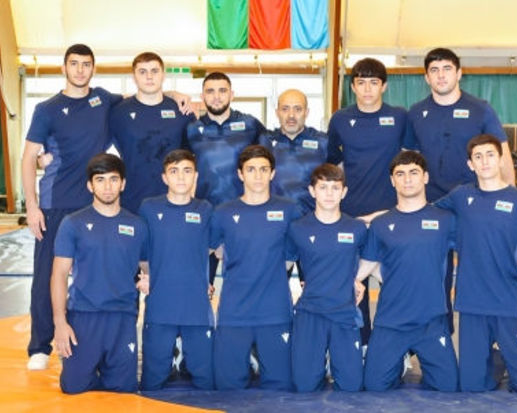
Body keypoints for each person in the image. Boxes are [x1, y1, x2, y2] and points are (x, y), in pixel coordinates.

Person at [21, 44, 189, 370]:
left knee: (100, 275)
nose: (80, 70)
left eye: (86, 64)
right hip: (57, 203)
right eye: (74, 64)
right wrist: (32, 204)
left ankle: (106, 339)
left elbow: (145, 92)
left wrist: (174, 93)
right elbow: (29, 157)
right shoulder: (47, 108)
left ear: (93, 69)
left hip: (98, 202)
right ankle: (39, 345)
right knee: (48, 275)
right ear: (64, 68)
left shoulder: (103, 100)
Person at [405, 48, 516, 335]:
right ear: (426, 77)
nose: (441, 75)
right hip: (434, 209)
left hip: (476, 209)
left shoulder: (481, 109)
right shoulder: (416, 113)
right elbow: (408, 162)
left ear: (459, 73)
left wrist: (510, 209)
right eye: (434, 70)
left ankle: (495, 339)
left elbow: (502, 157)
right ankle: (437, 339)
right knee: (432, 275)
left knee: (485, 272)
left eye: (447, 69)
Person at [436, 134, 517, 396]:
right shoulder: (461, 196)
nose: (484, 161)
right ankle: (500, 358)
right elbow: (418, 210)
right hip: (472, 303)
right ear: (470, 164)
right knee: (472, 386)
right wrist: (373, 219)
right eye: (478, 157)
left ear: (500, 160)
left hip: (509, 300)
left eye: (490, 155)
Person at [359, 150, 458, 392]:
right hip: (391, 322)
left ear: (425, 177)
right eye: (400, 174)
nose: (407, 179)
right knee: (374, 386)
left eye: (414, 172)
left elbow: (476, 250)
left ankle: (498, 358)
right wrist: (352, 280)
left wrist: (515, 261)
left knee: (448, 387)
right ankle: (398, 360)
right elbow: (368, 264)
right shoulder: (381, 224)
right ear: (392, 180)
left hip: (431, 321)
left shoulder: (445, 220)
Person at [327, 57, 410, 347]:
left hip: (390, 215)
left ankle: (392, 346)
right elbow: (334, 166)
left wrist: (399, 209)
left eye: (373, 83)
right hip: (352, 215)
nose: (367, 89)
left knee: (393, 283)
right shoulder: (340, 119)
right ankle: (359, 345)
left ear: (384, 86)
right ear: (353, 86)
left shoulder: (399, 117)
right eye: (361, 83)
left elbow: (409, 163)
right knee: (354, 282)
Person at [51, 153, 149, 394]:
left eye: (113, 179)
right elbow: (59, 275)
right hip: (84, 316)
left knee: (123, 389)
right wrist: (60, 323)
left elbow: (147, 268)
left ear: (123, 184)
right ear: (90, 185)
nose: (107, 187)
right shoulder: (73, 223)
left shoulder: (137, 225)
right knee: (73, 387)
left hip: (122, 317)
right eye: (100, 180)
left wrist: (150, 278)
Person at [210, 145, 299, 390]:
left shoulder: (289, 210)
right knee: (228, 390)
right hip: (234, 312)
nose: (258, 175)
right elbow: (211, 251)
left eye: (263, 169)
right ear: (240, 174)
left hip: (275, 312)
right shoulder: (223, 213)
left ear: (272, 173)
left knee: (281, 389)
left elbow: (293, 257)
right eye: (251, 169)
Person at [287, 163, 368, 392]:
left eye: (335, 188)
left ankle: (337, 361)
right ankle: (316, 362)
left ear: (344, 192)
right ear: (312, 191)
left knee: (352, 386)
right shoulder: (298, 228)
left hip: (344, 313)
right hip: (310, 312)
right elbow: (284, 264)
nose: (329, 194)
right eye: (323, 187)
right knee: (304, 385)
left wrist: (358, 278)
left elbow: (372, 259)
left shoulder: (357, 228)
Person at [138, 149, 214, 390]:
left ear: (196, 176)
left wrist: (204, 279)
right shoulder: (149, 208)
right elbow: (142, 252)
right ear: (164, 177)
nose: (181, 177)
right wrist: (147, 275)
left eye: (187, 171)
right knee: (152, 382)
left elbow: (215, 248)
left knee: (206, 380)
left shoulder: (206, 209)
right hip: (161, 305)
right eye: (174, 171)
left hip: (196, 307)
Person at [186, 72, 266, 285]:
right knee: (202, 286)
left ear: (232, 94)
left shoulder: (250, 125)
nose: (216, 97)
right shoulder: (192, 129)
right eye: (210, 91)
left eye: (222, 91)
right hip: (205, 216)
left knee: (244, 285)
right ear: (202, 96)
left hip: (244, 217)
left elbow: (268, 162)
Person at [110, 52, 196, 213]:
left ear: (163, 75)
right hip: (132, 201)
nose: (149, 77)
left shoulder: (182, 111)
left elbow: (192, 160)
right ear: (134, 77)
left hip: (174, 201)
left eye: (154, 71)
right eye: (142, 72)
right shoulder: (118, 113)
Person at [259, 89, 329, 215]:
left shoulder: (323, 141)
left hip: (311, 219)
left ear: (306, 112)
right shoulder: (264, 140)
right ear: (277, 112)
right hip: (273, 218)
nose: (291, 115)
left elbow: (337, 179)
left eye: (298, 109)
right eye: (285, 109)